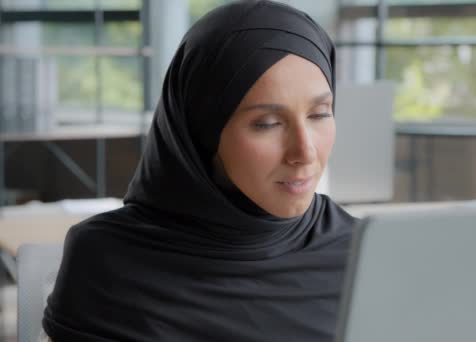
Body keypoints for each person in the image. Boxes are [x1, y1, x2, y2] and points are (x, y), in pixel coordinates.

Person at [40, 1, 358, 341]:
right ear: (201, 131)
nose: (305, 153)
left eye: (320, 114)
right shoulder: (107, 261)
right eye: (267, 123)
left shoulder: (358, 249)